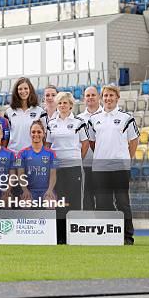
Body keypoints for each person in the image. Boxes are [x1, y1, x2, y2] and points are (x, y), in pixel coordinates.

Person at [88, 85, 139, 245]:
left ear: (117, 97)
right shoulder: (93, 119)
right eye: (105, 96)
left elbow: (134, 142)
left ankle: (127, 237)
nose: (108, 98)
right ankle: (107, 236)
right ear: (102, 98)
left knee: (123, 202)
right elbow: (92, 143)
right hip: (100, 168)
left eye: (111, 95)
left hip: (120, 168)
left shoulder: (127, 118)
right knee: (103, 203)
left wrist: (124, 158)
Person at [45, 92, 88, 243]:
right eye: (60, 103)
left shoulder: (79, 122)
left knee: (75, 201)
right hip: (57, 169)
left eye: (65, 103)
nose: (63, 106)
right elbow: (48, 146)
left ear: (71, 105)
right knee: (60, 202)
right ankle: (61, 237)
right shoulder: (51, 123)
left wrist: (76, 159)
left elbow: (85, 144)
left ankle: (75, 236)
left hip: (74, 167)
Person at [17, 121, 58, 203]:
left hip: (46, 190)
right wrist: (25, 190)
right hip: (29, 190)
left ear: (43, 134)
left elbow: (53, 174)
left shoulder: (52, 153)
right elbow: (20, 175)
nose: (36, 134)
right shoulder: (21, 153)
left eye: (39, 132)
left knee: (50, 202)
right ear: (30, 134)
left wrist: (50, 190)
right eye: (33, 132)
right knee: (25, 203)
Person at [4, 77, 48, 153]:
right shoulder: (9, 112)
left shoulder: (40, 111)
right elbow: (6, 137)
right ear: (16, 91)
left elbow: (45, 135)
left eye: (25, 88)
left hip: (33, 154)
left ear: (30, 90)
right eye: (20, 89)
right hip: (14, 153)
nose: (23, 91)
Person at [77, 86, 103, 210]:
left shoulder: (106, 115)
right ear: (84, 99)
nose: (90, 97)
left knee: (103, 199)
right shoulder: (78, 119)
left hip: (103, 166)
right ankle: (89, 226)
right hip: (85, 165)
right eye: (87, 95)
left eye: (93, 95)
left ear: (99, 97)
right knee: (86, 199)